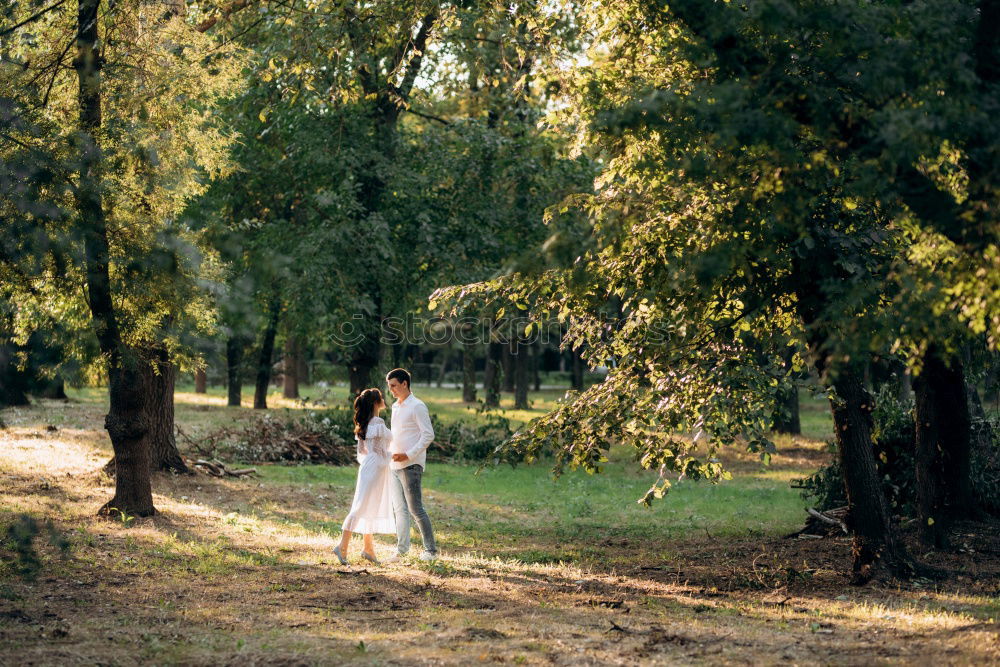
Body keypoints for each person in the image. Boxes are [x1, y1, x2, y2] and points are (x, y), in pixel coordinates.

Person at [333, 388, 395, 565]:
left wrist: (378, 459)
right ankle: (342, 546)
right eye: (381, 398)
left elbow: (362, 451)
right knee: (361, 507)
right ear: (376, 403)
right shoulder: (378, 422)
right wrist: (393, 456)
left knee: (369, 505)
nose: (384, 400)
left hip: (369, 466)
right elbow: (381, 452)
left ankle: (368, 549)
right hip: (376, 466)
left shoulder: (366, 423)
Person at [385, 368, 438, 561]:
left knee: (416, 509)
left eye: (394, 386)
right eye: (389, 386)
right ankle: (402, 550)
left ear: (405, 383)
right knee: (399, 510)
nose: (391, 390)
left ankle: (431, 551)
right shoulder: (395, 406)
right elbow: (396, 434)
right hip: (393, 465)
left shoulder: (417, 406)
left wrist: (408, 455)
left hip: (411, 465)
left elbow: (428, 435)